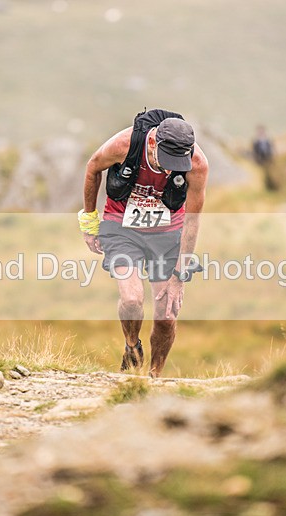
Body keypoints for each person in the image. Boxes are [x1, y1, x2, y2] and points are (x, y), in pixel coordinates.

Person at [78, 110, 209, 378]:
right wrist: (89, 222)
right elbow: (93, 167)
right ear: (152, 144)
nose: (171, 168)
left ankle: (153, 378)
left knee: (166, 316)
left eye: (177, 163)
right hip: (122, 228)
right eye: (166, 160)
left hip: (167, 233)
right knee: (131, 298)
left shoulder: (197, 164)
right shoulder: (124, 145)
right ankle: (132, 347)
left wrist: (179, 277)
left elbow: (193, 220)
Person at [252, 125, 277, 191]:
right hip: (260, 162)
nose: (260, 133)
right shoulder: (255, 142)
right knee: (262, 176)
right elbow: (254, 152)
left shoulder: (268, 140)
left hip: (269, 160)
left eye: (261, 131)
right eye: (259, 131)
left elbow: (273, 149)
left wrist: (273, 158)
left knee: (271, 174)